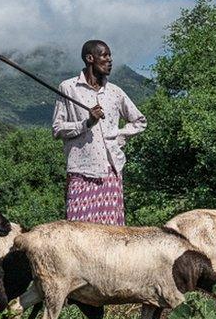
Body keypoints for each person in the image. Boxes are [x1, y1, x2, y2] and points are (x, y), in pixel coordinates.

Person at [52, 40, 147, 225]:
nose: (110, 60)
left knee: (111, 234)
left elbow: (139, 121)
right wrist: (87, 122)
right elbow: (57, 129)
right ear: (90, 58)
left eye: (110, 56)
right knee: (79, 232)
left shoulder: (115, 92)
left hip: (111, 170)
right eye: (105, 55)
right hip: (81, 170)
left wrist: (118, 137)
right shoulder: (68, 88)